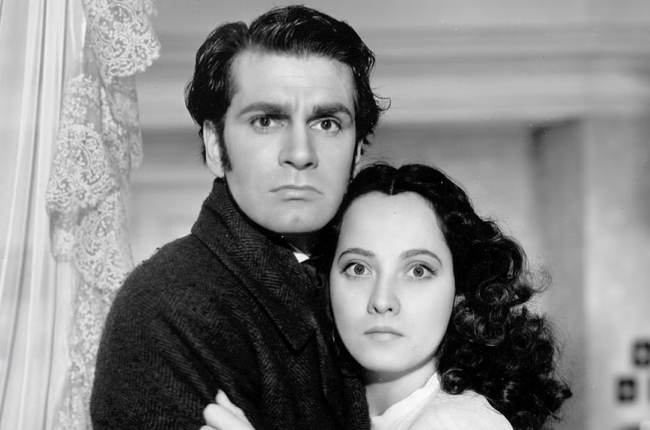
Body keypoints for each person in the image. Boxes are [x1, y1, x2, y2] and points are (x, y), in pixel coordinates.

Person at [90, 5, 386, 429]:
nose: (300, 153)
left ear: (358, 150)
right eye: (266, 120)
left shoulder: (376, 283)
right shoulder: (167, 308)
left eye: (326, 123)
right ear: (215, 146)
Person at [202, 163, 572, 430]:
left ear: (460, 293)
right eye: (358, 268)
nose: (382, 300)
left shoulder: (460, 422)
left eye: (418, 271)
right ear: (326, 284)